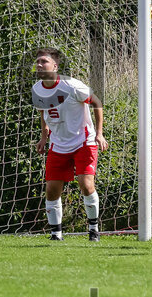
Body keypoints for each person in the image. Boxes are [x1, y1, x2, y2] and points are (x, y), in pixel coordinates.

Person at [31, 47, 107, 242]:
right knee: (51, 189)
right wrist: (44, 136)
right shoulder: (37, 88)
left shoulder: (72, 86)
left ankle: (93, 230)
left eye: (44, 61)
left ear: (55, 66)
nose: (39, 64)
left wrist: (99, 133)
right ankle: (56, 234)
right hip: (58, 144)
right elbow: (43, 112)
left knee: (86, 184)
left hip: (84, 141)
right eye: (38, 61)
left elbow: (97, 102)